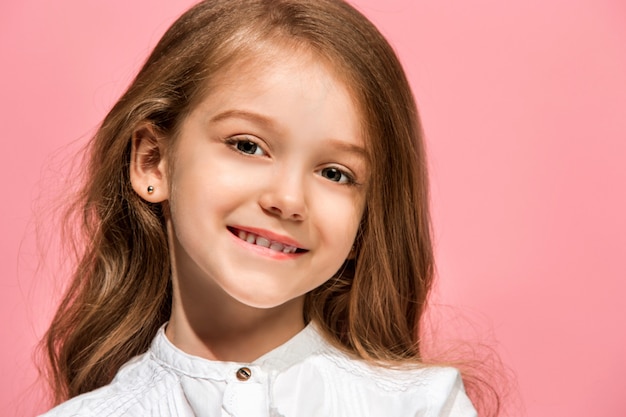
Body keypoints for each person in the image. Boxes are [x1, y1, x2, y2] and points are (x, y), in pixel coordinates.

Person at [40, 0, 486, 415]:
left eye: (335, 174)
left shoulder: (423, 406)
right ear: (152, 161)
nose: (289, 200)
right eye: (248, 146)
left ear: (365, 222)